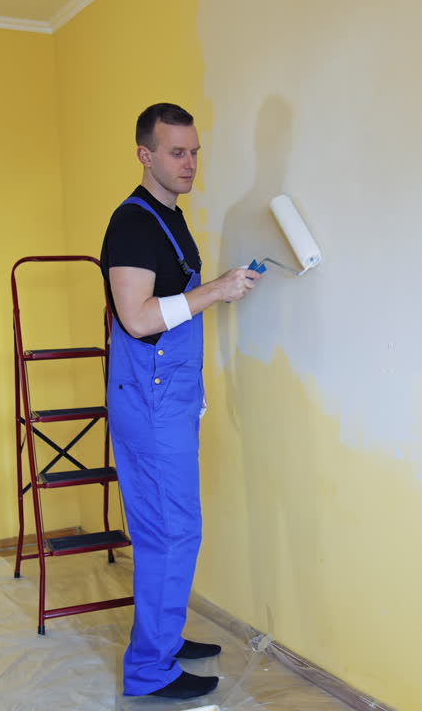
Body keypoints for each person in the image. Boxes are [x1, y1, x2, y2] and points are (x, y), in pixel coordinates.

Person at [100, 102, 261, 700]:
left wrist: (222, 284)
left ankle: (161, 638)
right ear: (145, 154)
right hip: (149, 395)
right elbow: (137, 318)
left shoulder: (171, 216)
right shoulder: (134, 224)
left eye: (194, 151)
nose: (190, 162)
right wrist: (216, 290)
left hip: (168, 396)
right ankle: (149, 669)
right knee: (171, 530)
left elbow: (170, 299)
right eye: (176, 151)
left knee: (168, 528)